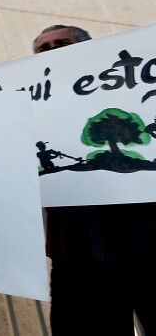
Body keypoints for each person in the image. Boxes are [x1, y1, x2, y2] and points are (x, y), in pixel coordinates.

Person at [33, 24, 156, 335]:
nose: (52, 50)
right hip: (78, 256)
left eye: (61, 43)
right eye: (43, 49)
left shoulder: (136, 87)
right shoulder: (28, 106)